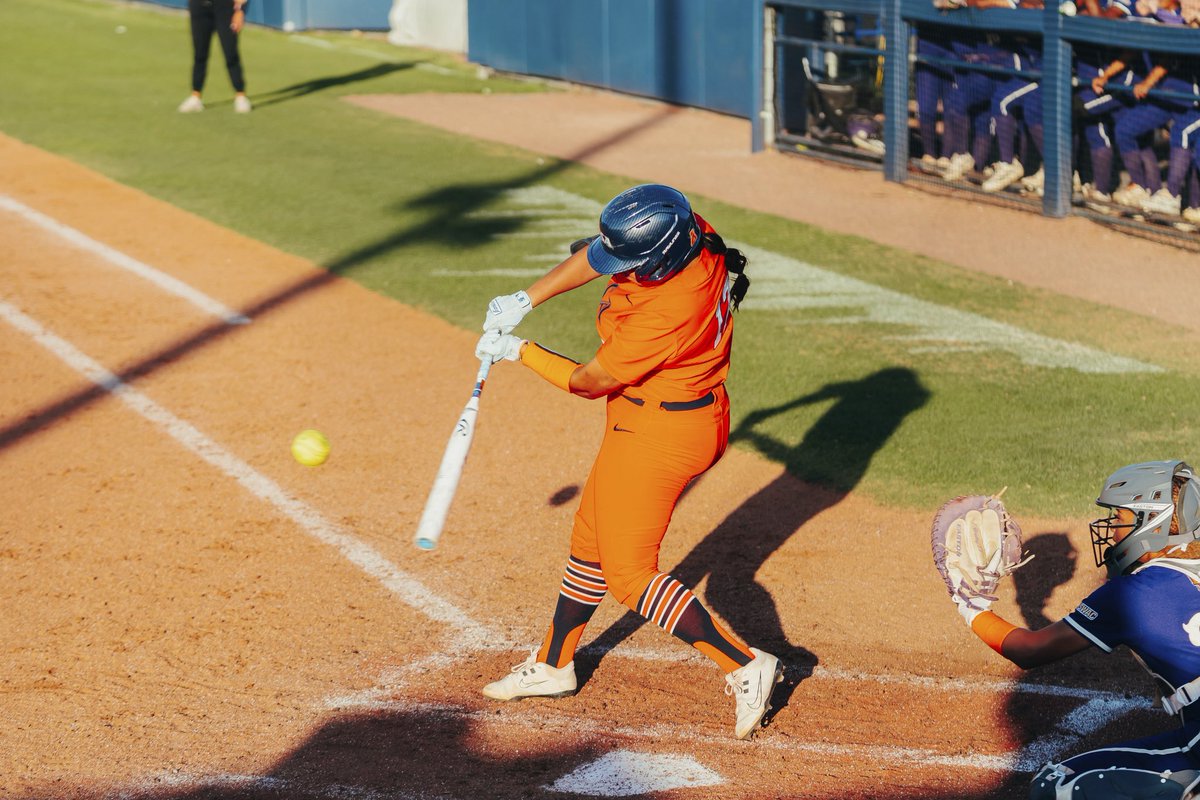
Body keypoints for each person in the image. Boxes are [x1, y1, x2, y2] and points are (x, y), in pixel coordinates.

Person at [472, 184, 781, 740]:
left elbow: (590, 381)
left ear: (660, 258)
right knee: (590, 537)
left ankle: (743, 664)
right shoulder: (687, 228)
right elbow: (597, 251)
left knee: (629, 573)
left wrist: (520, 351)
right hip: (655, 415)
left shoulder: (668, 310)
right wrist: (526, 298)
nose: (614, 266)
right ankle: (553, 664)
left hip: (664, 432)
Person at [952, 460, 1200, 798]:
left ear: (1151, 521)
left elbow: (1028, 650)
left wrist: (970, 605)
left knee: (1057, 786)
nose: (1111, 529)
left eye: (1120, 518)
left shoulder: (1132, 595)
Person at [178, 0, 252, 114]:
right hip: (199, 7)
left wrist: (240, 10)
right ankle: (195, 96)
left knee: (230, 53)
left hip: (225, 7)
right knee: (199, 54)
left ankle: (240, 96)